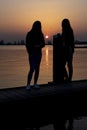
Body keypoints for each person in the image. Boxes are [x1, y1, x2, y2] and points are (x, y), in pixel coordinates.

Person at [25, 20, 45, 90]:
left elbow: (43, 44)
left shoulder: (41, 34)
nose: (39, 27)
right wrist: (30, 53)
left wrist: (39, 46)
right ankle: (28, 84)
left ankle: (35, 83)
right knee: (32, 69)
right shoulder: (29, 34)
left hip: (38, 54)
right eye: (39, 26)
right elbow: (27, 45)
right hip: (32, 54)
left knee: (37, 69)